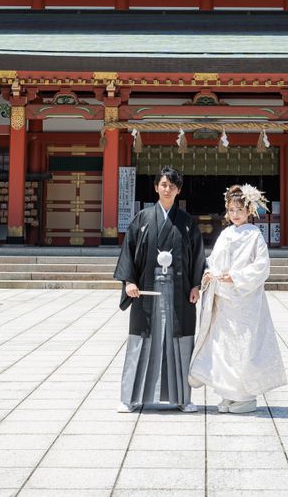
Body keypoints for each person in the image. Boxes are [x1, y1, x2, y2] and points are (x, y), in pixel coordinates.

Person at [113, 166, 206, 413]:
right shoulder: (142, 219)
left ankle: (182, 399)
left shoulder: (186, 223)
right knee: (141, 340)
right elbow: (129, 253)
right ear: (156, 187)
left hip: (179, 292)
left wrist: (196, 284)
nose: (167, 189)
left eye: (172, 186)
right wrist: (129, 282)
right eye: (163, 185)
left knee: (180, 341)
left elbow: (197, 256)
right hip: (147, 291)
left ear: (178, 190)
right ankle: (130, 398)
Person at [189, 184, 287, 413]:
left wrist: (235, 276)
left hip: (244, 301)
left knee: (243, 346)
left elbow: (262, 267)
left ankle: (245, 396)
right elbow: (214, 260)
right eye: (231, 209)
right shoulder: (225, 234)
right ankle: (227, 393)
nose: (235, 214)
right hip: (223, 301)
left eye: (239, 210)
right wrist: (209, 273)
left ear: (249, 210)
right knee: (223, 346)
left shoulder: (254, 235)